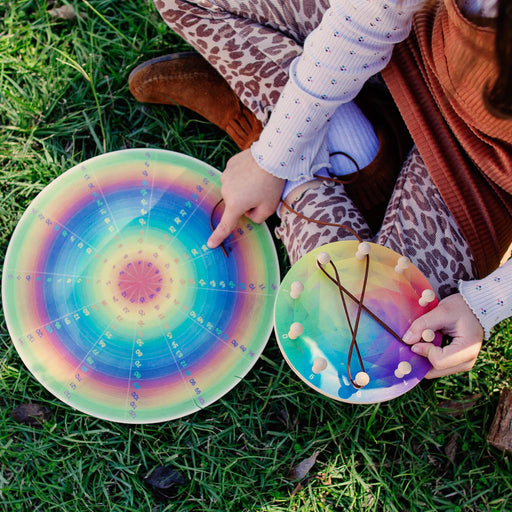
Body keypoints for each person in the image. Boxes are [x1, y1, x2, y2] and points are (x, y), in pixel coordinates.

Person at [129, 0, 512, 379]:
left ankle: (285, 129)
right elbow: (364, 20)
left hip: (478, 175)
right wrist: (272, 157)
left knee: (357, 340)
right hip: (418, 45)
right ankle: (346, 142)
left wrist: (485, 303)